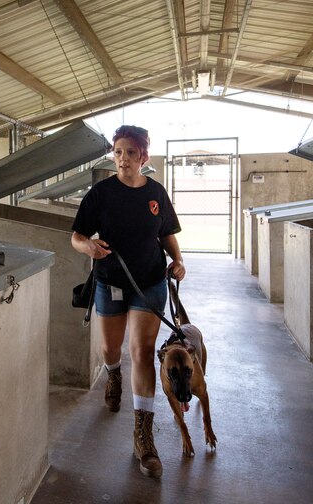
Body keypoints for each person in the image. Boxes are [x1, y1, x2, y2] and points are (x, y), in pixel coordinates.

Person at [70, 124, 185, 478]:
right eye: (118, 152)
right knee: (110, 348)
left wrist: (177, 261)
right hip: (110, 281)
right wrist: (87, 246)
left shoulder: (156, 193)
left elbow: (166, 233)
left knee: (141, 351)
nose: (123, 159)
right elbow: (76, 236)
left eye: (130, 153)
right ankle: (113, 375)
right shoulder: (100, 194)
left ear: (143, 157)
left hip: (149, 281)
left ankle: (143, 435)